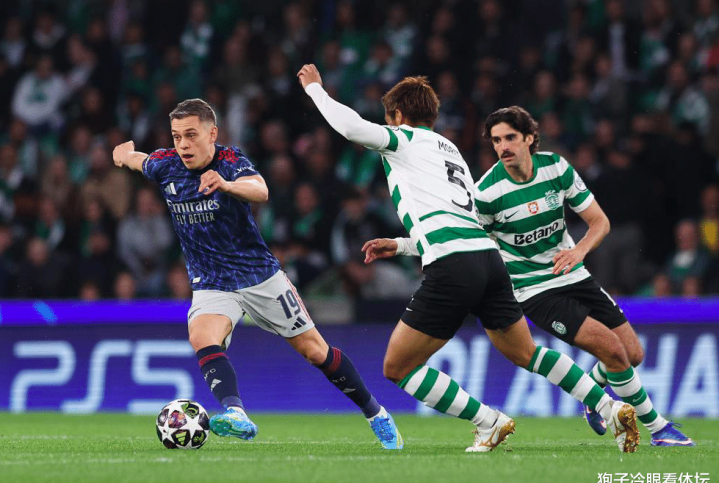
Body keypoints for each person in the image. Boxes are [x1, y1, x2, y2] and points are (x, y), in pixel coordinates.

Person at [298, 65, 639, 453]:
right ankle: (609, 406)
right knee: (526, 352)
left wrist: (316, 90)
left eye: (388, 117)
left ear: (397, 115)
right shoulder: (450, 150)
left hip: (453, 264)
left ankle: (488, 421)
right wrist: (403, 245)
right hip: (488, 260)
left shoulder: (402, 138)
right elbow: (457, 219)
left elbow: (351, 128)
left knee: (398, 367)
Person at [368, 105, 694, 447]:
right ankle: (659, 429)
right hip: (534, 289)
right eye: (496, 141)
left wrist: (579, 251)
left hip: (575, 274)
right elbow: (459, 235)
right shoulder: (486, 193)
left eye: (510, 138)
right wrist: (402, 245)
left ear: (529, 138)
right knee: (612, 350)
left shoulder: (556, 167)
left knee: (632, 354)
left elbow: (600, 222)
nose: (503, 147)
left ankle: (591, 392)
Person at [112, 98, 402, 450]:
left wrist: (225, 184)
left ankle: (376, 413)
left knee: (316, 352)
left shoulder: (230, 161)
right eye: (176, 137)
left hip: (259, 277)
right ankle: (236, 412)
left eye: (191, 135)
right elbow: (139, 160)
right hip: (212, 282)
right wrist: (123, 154)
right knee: (202, 337)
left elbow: (260, 190)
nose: (183, 145)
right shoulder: (166, 165)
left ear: (212, 134)